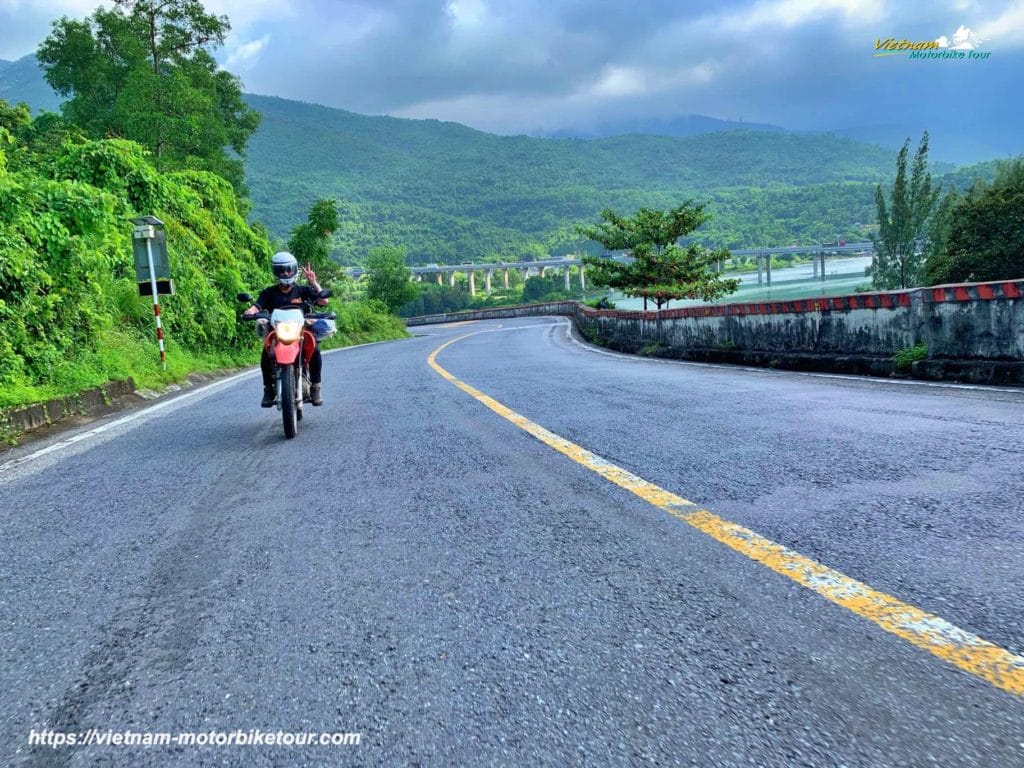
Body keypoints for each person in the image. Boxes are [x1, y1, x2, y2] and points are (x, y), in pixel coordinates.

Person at [243, 252, 329, 407]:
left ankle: (316, 387)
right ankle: (268, 389)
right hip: (277, 332)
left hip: (300, 330)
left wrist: (314, 283)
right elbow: (257, 306)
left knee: (314, 349)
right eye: (282, 270)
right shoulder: (268, 293)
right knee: (266, 353)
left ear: (294, 270)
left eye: (289, 269)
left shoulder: (303, 290)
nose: (286, 273)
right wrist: (250, 312)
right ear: (276, 272)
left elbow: (323, 301)